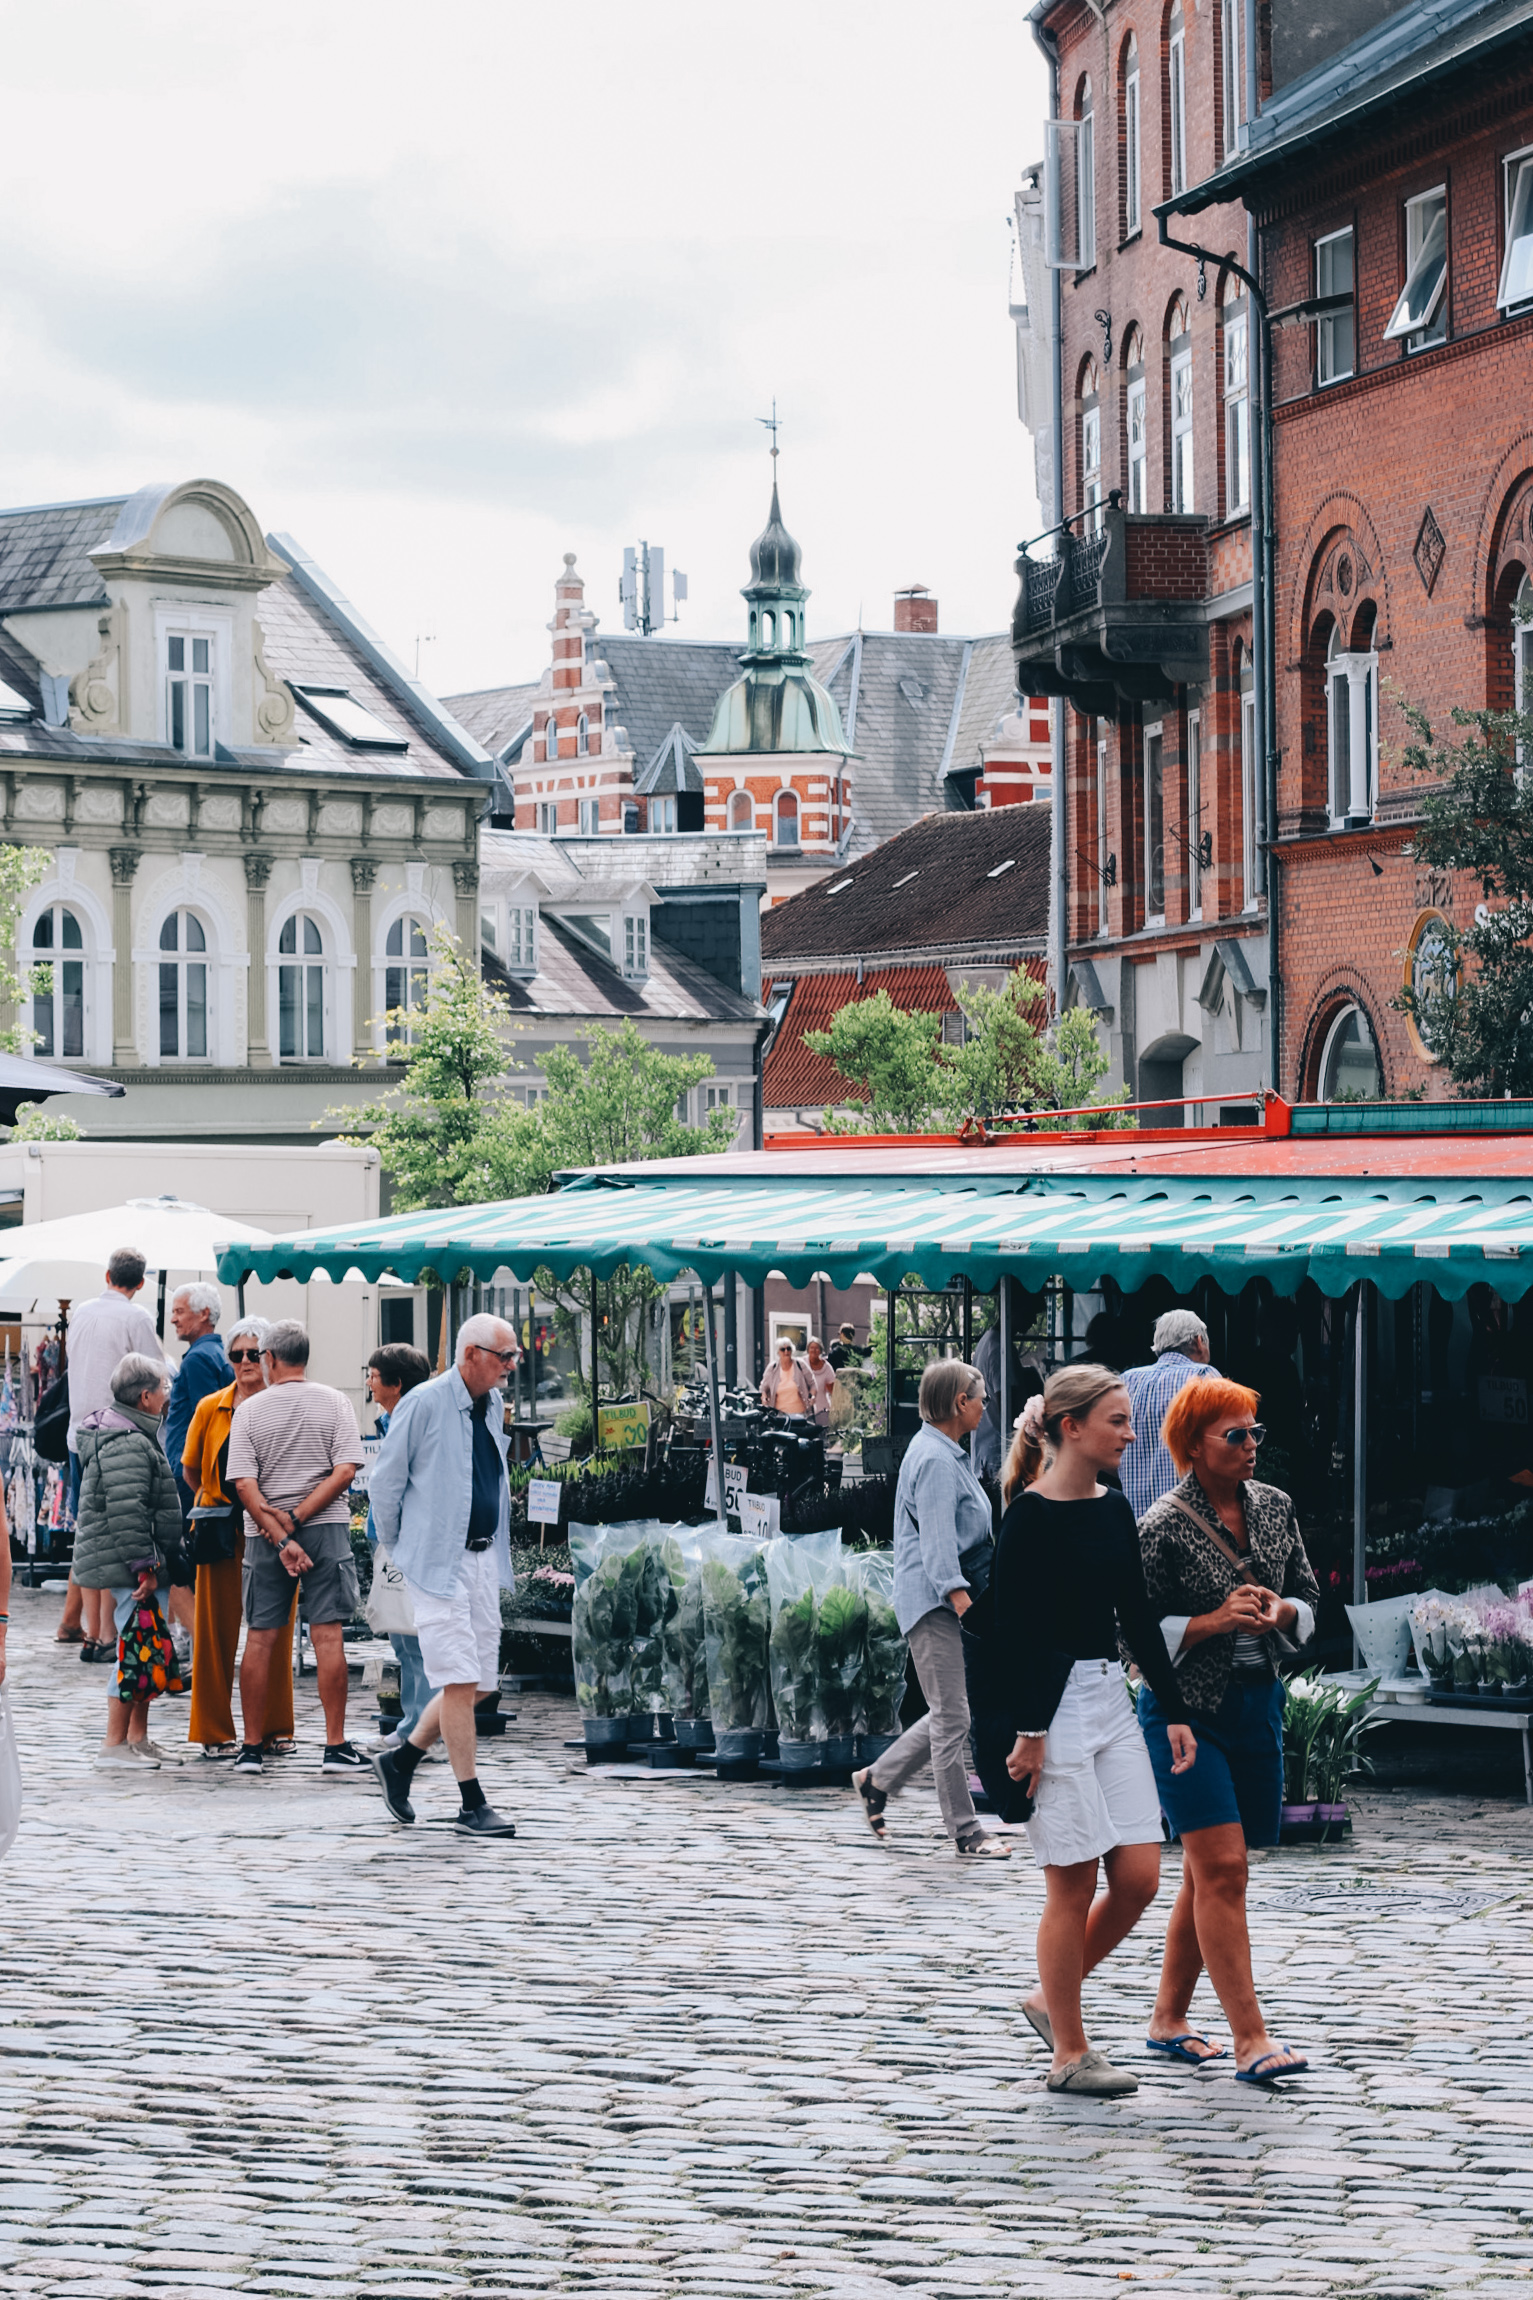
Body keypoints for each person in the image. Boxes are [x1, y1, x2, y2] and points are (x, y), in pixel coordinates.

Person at [991, 1366, 1198, 2097]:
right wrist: (1028, 1728)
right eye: (1117, 1420)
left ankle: (1051, 1997)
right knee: (1072, 1883)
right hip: (1051, 1707)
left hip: (1109, 1694)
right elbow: (1006, 1634)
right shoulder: (1028, 1517)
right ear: (1070, 1426)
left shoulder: (1112, 1509)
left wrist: (1171, 1709)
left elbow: (1135, 1616)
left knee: (1139, 1876)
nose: (1131, 1433)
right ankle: (1068, 2053)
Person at [1135, 1376, 1319, 2084]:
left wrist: (1283, 1615)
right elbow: (1132, 1631)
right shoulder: (1159, 1526)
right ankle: (1251, 2039)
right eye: (1234, 1436)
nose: (1249, 1448)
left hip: (1255, 1704)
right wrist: (1211, 1621)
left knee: (1209, 1873)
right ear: (1192, 1445)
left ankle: (1167, 2020)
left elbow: (1308, 1593)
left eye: (1254, 1434)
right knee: (1222, 1870)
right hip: (1185, 1713)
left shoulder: (1274, 1508)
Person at [367, 1314, 520, 1836]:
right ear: (472, 1353)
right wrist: (404, 1546)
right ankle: (470, 1803)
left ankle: (401, 1762)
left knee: (477, 1684)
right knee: (458, 1680)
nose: (512, 1366)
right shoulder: (425, 1402)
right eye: (505, 1356)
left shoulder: (492, 1404)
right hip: (440, 1564)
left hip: (480, 1558)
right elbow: (383, 1484)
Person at [851, 1358, 1008, 1859]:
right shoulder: (938, 1461)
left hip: (940, 1599)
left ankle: (877, 1779)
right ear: (960, 1402)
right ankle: (966, 1831)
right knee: (952, 1717)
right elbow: (941, 1549)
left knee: (949, 1711)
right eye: (981, 1397)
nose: (986, 1407)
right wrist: (968, 1608)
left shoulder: (942, 1452)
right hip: (938, 1602)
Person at [227, 1319, 366, 1776]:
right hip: (325, 1527)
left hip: (264, 1535)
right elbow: (345, 1471)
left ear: (268, 1359)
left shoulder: (249, 1410)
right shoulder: (336, 1403)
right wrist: (300, 1518)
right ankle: (335, 1744)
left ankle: (250, 1747)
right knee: (328, 1636)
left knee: (262, 1638)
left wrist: (281, 1533)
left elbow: (244, 1485)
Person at [181, 1316, 297, 1760]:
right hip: (220, 1529)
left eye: (254, 1353)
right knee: (214, 1634)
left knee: (275, 1632)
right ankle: (213, 1730)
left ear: (268, 1358)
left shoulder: (283, 1403)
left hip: (273, 1531)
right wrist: (215, 1501)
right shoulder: (211, 1406)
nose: (246, 1361)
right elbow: (191, 1468)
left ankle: (274, 1727)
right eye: (237, 1354)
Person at [74, 1353, 187, 1770]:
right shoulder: (128, 1441)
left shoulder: (132, 1432)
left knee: (146, 1649)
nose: (167, 1394)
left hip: (137, 1562)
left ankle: (137, 1738)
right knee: (132, 1650)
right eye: (164, 1387)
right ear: (145, 1396)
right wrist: (144, 1565)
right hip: (131, 1566)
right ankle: (113, 1744)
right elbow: (127, 1512)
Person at [58, 1249, 168, 1663]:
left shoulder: (82, 1312)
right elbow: (156, 1373)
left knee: (88, 1534)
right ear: (140, 1284)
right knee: (115, 1535)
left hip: (78, 1435)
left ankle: (94, 1631)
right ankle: (106, 1632)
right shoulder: (136, 1318)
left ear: (107, 1276)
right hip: (117, 1435)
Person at [360, 1342, 435, 1753]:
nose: (369, 1383)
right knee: (403, 1635)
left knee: (416, 1635)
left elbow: (396, 1486)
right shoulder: (392, 1419)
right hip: (391, 1538)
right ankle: (412, 1722)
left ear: (397, 1383)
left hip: (405, 1541)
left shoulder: (413, 1421)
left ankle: (420, 1731)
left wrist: (388, 1537)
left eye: (373, 1375)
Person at [1120, 1310, 1220, 1520]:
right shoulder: (1203, 1376)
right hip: (1189, 1525)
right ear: (1198, 1341)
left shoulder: (1125, 1381)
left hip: (1136, 1523)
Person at [973, 1319, 1043, 1482]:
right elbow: (1007, 1409)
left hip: (989, 1457)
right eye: (1031, 1310)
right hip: (998, 1461)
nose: (1034, 1319)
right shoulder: (999, 1348)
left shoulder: (989, 1342)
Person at [760, 1339, 814, 1418]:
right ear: (778, 1352)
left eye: (788, 1349)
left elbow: (813, 1383)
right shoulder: (772, 1368)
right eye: (783, 1349)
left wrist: (812, 1396)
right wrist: (764, 1398)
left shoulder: (800, 1364)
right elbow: (763, 1388)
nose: (786, 1351)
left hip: (800, 1415)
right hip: (779, 1416)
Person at [803, 1336, 836, 1429]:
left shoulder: (827, 1367)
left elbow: (833, 1390)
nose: (814, 1350)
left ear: (821, 1350)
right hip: (804, 1409)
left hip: (822, 1408)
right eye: (811, 1348)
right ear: (808, 1350)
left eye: (817, 1348)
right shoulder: (802, 1364)